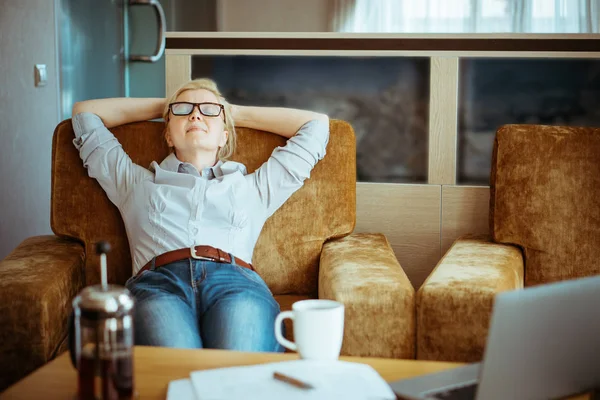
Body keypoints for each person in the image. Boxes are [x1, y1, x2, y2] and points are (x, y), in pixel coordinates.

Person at [71, 78, 329, 352]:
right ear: (168, 134)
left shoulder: (254, 187)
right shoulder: (134, 182)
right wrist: (167, 105)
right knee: (176, 362)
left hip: (236, 283)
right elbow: (85, 115)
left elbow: (317, 126)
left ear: (224, 136)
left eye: (208, 110)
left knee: (237, 362)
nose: (195, 114)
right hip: (158, 286)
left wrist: (231, 110)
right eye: (183, 109)